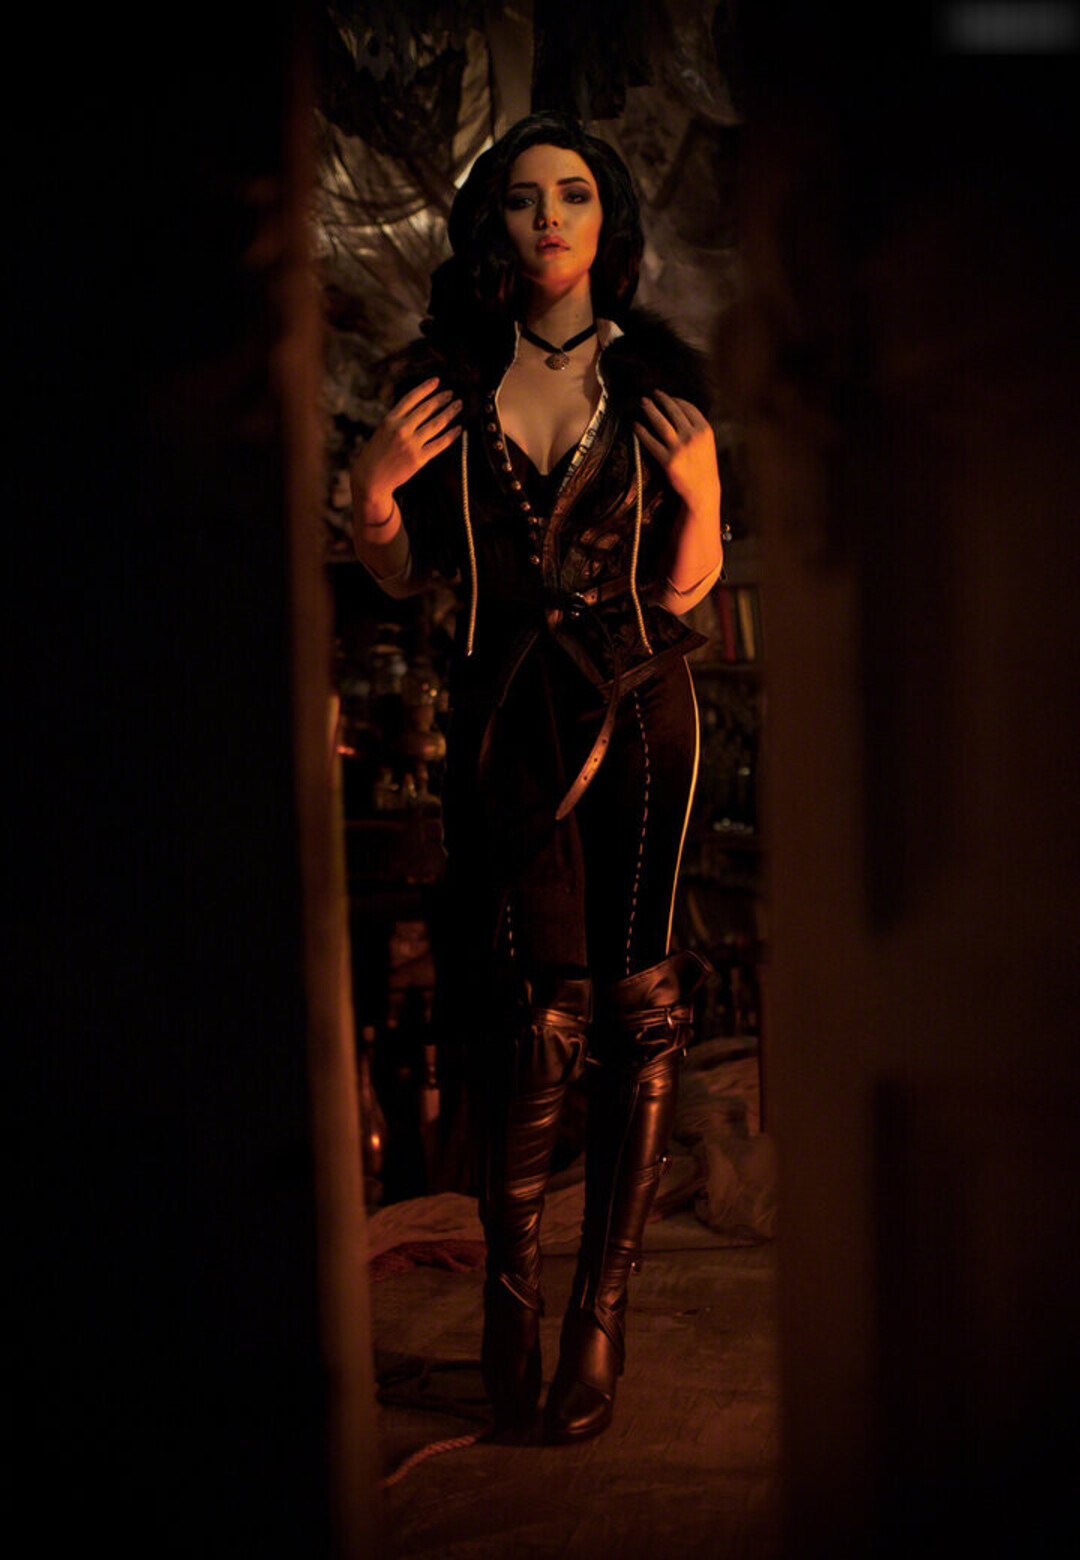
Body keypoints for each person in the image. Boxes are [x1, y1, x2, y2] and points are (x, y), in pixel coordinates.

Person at [350, 111, 724, 1443]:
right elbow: (409, 577)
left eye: (574, 193)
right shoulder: (448, 382)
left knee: (637, 1005)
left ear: (608, 219)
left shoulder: (657, 383)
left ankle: (597, 1324)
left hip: (639, 710)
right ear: (493, 223)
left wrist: (704, 498)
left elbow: (686, 591)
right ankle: (509, 1312)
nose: (549, 216)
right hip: (505, 714)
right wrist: (373, 495)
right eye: (523, 197)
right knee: (531, 1013)